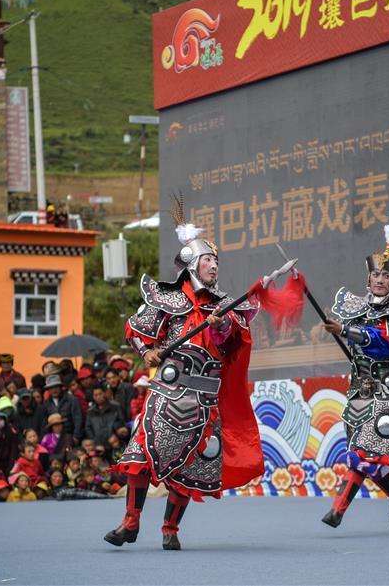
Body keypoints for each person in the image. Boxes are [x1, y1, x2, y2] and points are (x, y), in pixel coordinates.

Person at [105, 199, 263, 550]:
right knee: (141, 457)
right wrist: (148, 352)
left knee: (194, 464)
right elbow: (137, 331)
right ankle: (130, 522)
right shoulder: (167, 298)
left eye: (217, 261)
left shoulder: (225, 307)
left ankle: (170, 530)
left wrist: (221, 330)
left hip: (205, 400)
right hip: (167, 393)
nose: (214, 266)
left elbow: (234, 343)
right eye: (209, 259)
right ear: (192, 264)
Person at [320, 192, 389, 528]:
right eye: (375, 277)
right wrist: (346, 331)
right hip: (360, 392)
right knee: (369, 459)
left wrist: (349, 332)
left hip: (388, 395)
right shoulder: (358, 310)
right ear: (368, 280)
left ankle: (337, 511)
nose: (380, 281)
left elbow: (384, 344)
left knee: (363, 455)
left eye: (386, 277)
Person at [38, 371, 83, 445]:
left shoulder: (72, 400)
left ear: (60, 387)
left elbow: (78, 419)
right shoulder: (46, 404)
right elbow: (45, 423)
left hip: (70, 436)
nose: (54, 390)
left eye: (56, 387)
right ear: (48, 390)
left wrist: (76, 436)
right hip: (54, 440)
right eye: (51, 388)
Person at [86, 383, 124, 448]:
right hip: (99, 446)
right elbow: (88, 428)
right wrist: (95, 442)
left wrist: (116, 436)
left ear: (105, 393)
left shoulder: (115, 407)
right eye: (95, 395)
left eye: (100, 394)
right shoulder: (91, 411)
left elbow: (122, 422)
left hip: (115, 443)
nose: (98, 397)